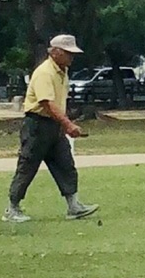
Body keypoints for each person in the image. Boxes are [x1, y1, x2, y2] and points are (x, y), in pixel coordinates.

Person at [5, 33, 97, 224]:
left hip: (54, 126)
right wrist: (68, 124)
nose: (71, 57)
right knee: (28, 166)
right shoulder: (45, 72)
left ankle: (74, 206)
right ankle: (12, 209)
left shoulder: (62, 72)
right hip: (37, 124)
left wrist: (62, 124)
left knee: (66, 164)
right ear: (54, 52)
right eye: (67, 52)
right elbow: (47, 103)